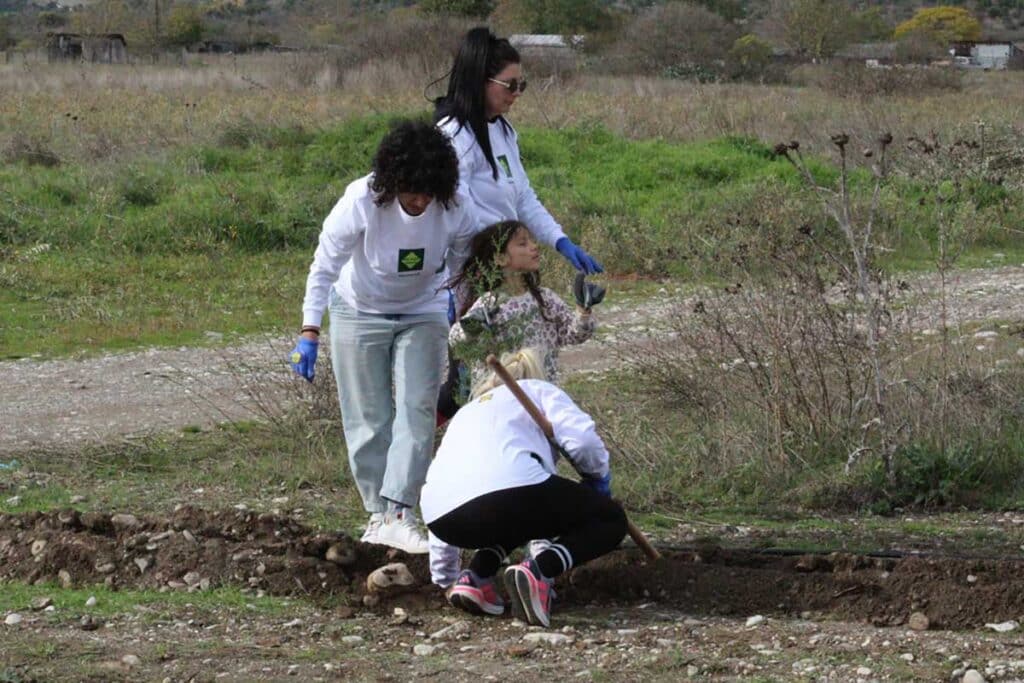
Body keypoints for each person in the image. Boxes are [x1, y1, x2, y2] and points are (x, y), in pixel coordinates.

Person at [288, 120, 476, 555]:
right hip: (359, 311)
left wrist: (459, 308)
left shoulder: (454, 206)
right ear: (393, 182)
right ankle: (377, 515)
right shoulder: (362, 199)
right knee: (369, 417)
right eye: (412, 192)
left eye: (428, 193)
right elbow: (325, 264)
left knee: (417, 408)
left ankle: (400, 512)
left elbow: (465, 260)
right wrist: (309, 330)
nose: (420, 201)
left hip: (423, 311)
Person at [420, 348, 625, 627]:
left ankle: (475, 579)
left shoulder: (467, 413)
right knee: (611, 519)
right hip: (514, 494)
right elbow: (584, 441)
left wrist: (445, 577)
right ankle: (540, 571)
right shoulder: (539, 390)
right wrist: (597, 477)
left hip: (442, 518)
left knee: (515, 517)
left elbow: (452, 485)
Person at [433, 27, 603, 275]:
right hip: (470, 269)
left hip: (503, 265)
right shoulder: (454, 135)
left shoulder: (504, 131)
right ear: (481, 81)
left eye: (521, 84)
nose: (517, 93)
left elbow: (523, 197)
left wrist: (560, 240)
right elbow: (456, 215)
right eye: (510, 85)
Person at [439, 219, 605, 418]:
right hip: (499, 400)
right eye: (522, 244)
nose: (534, 247)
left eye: (532, 241)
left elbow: (573, 335)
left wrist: (583, 309)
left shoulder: (545, 299)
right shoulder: (489, 305)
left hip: (542, 395)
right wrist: (474, 326)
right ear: (500, 259)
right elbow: (456, 340)